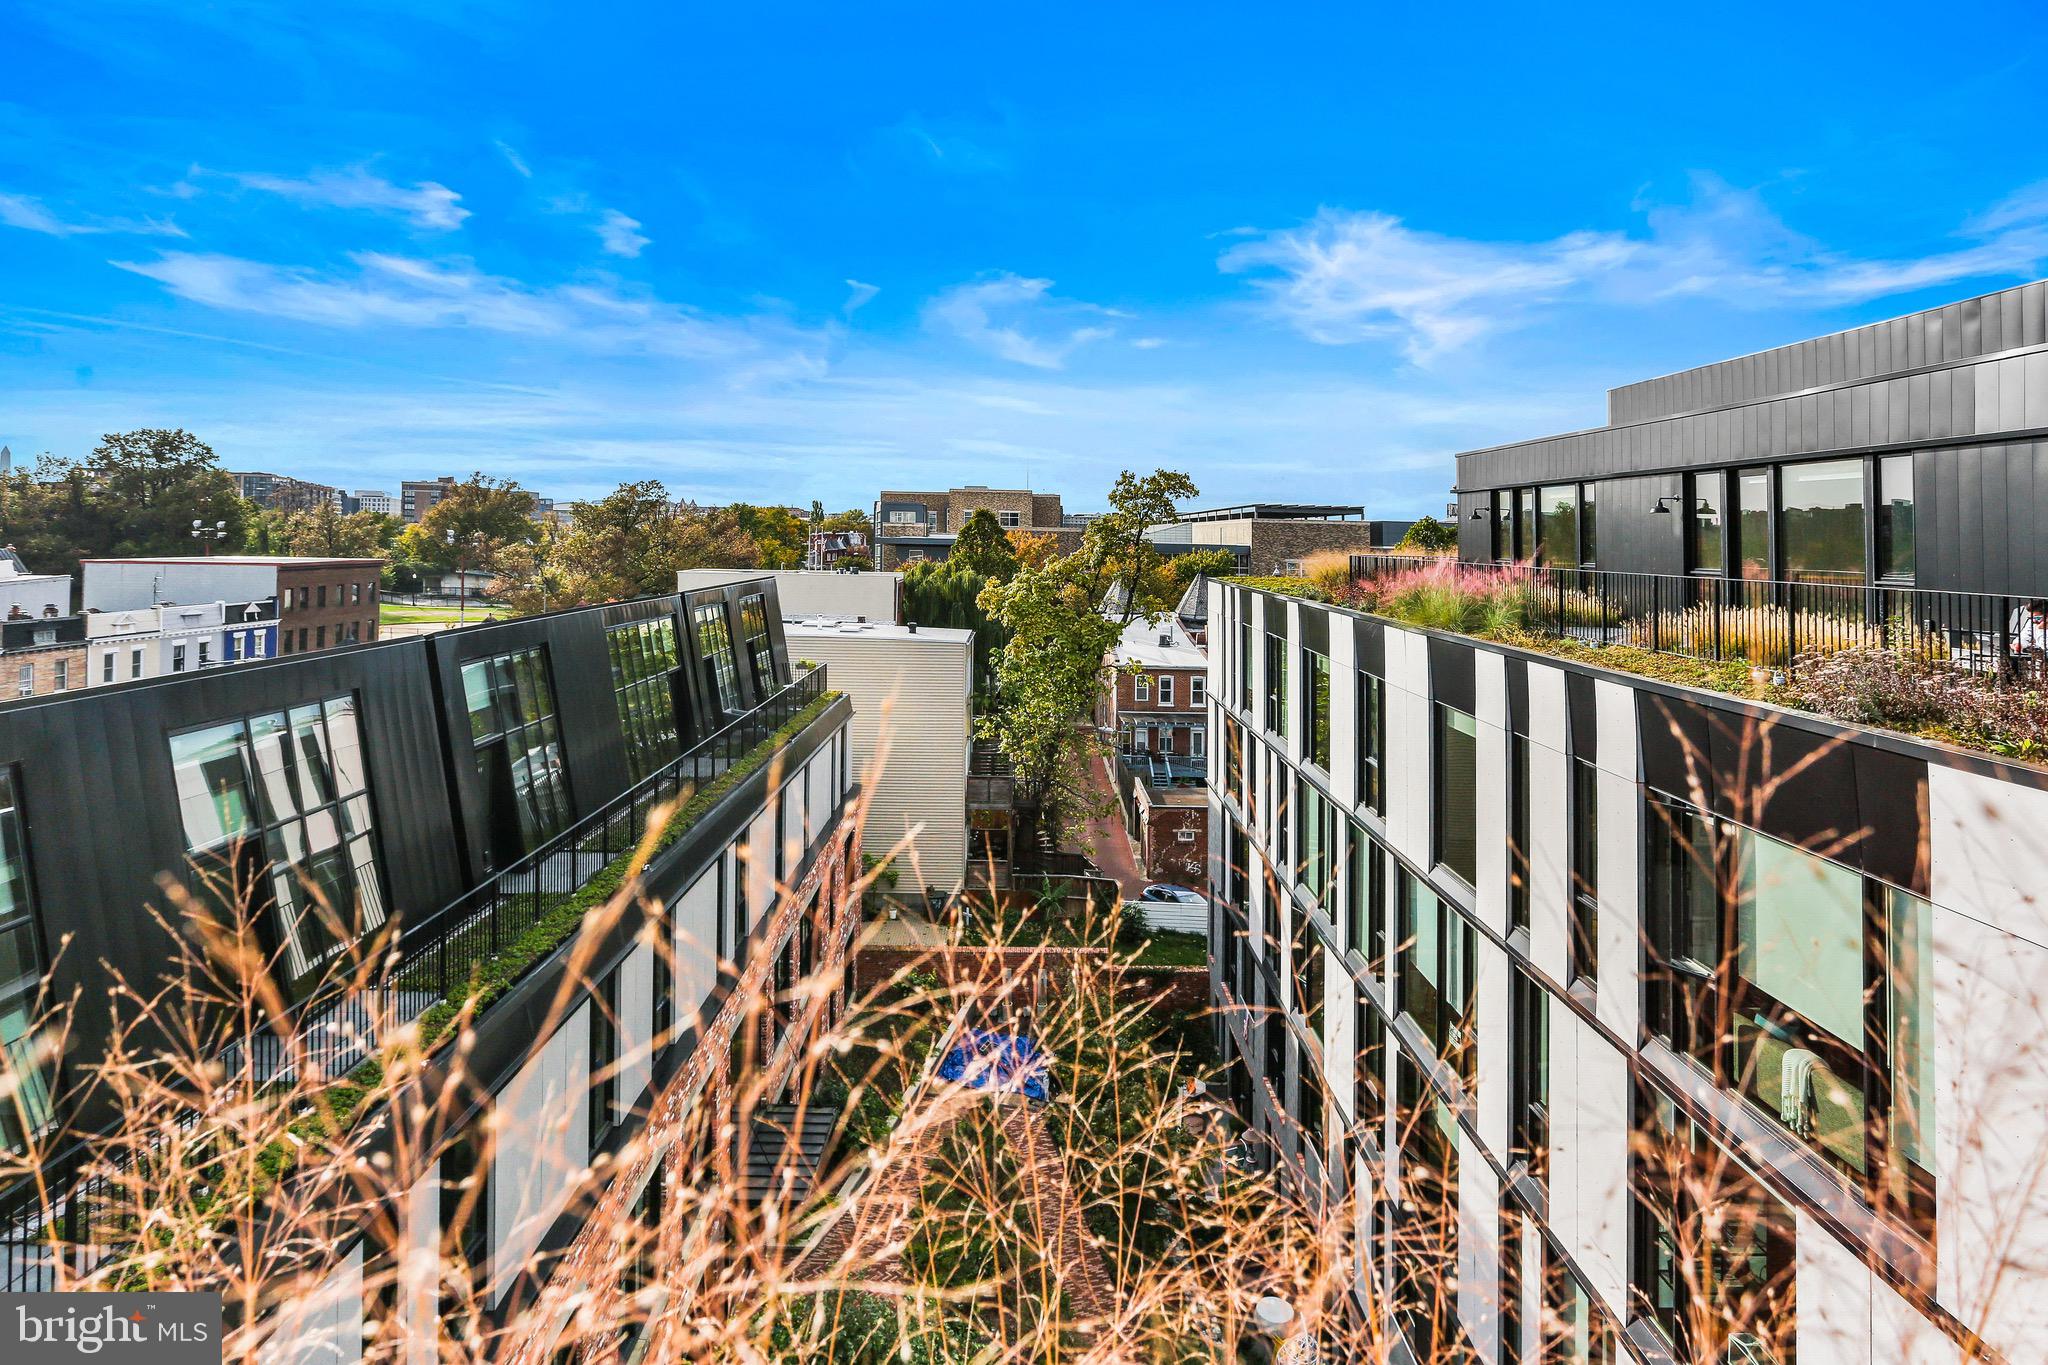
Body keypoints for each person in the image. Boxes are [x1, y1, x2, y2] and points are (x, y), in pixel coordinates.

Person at [2014, 599, 2048, 680]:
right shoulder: (2033, 621)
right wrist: (2019, 644)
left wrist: (2041, 629)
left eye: (2037, 617)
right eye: (2031, 617)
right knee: (2013, 658)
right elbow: (2025, 635)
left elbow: (2045, 645)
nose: (2034, 620)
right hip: (2041, 653)